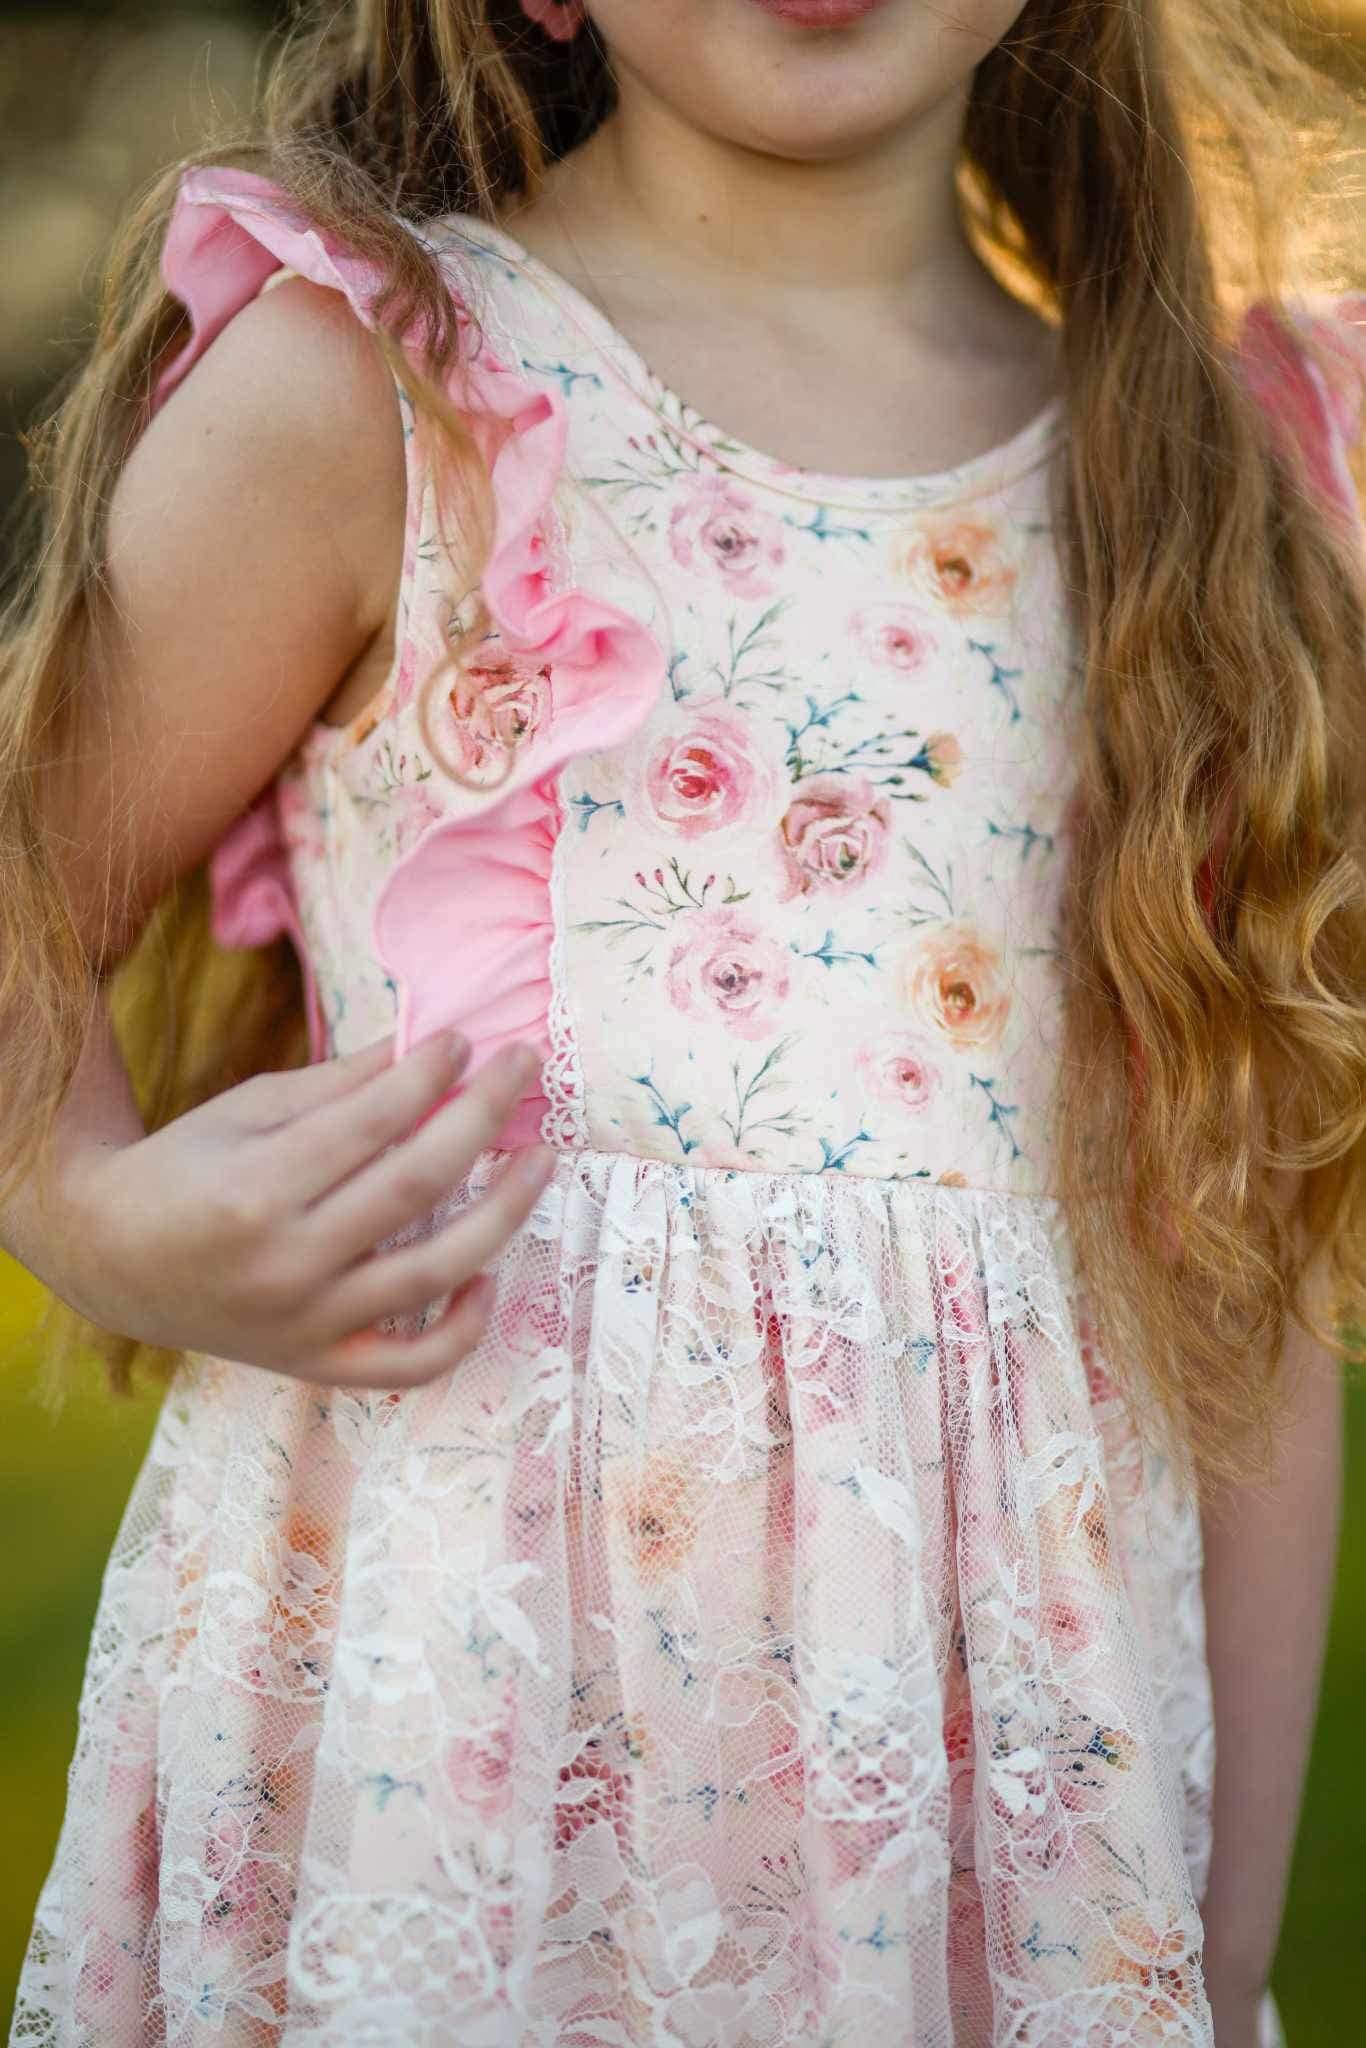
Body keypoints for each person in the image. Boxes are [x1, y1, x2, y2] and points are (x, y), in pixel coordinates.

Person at [3, 0, 1363, 2041]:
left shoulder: (1208, 479)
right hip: (448, 1759)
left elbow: (1238, 1272)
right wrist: (83, 1203)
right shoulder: (386, 384)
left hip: (993, 1811)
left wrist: (1213, 1943)